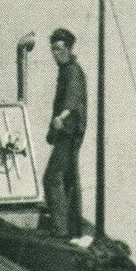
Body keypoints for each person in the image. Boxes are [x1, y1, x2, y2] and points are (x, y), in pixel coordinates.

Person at [43, 28, 91, 246]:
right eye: (53, 49)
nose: (55, 54)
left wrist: (60, 118)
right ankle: (73, 228)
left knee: (52, 177)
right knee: (69, 179)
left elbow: (71, 99)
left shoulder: (71, 71)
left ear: (69, 49)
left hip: (68, 131)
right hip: (69, 131)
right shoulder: (67, 69)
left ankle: (60, 229)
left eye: (59, 49)